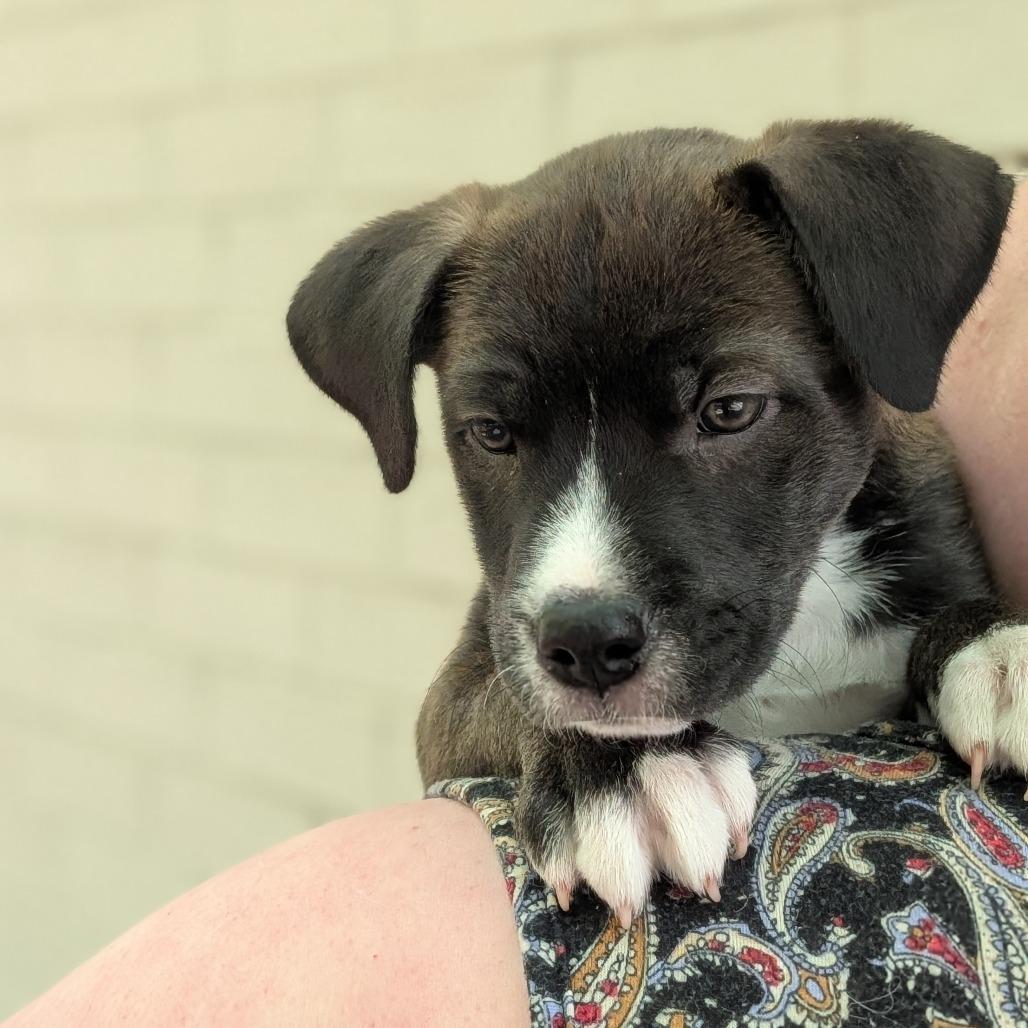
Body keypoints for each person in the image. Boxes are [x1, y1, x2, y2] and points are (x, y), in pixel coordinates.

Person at [7, 180, 1026, 1028]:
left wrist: (964, 640)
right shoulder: (540, 626)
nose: (585, 568)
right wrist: (579, 747)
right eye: (496, 434)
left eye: (723, 411)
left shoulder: (925, 517)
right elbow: (457, 716)